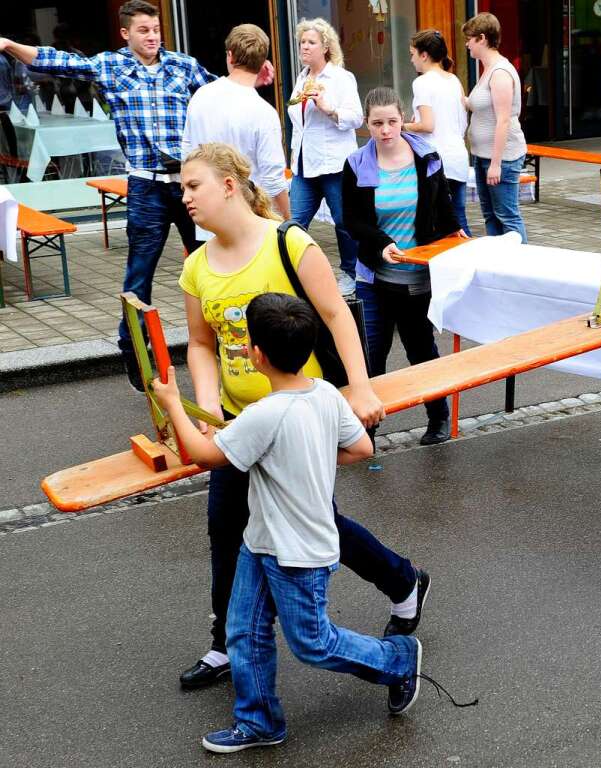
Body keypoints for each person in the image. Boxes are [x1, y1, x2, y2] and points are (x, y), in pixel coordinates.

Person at [175, 142, 428, 690]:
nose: (185, 197)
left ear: (227, 185)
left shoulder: (288, 241)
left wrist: (358, 389)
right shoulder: (197, 265)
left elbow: (337, 314)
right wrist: (207, 404)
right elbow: (199, 343)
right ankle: (225, 641)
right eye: (181, 188)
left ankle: (404, 579)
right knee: (228, 529)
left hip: (296, 418)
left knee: (319, 525)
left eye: (193, 185)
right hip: (240, 422)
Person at [152, 293, 422, 754]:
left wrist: (172, 402)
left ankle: (398, 659)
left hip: (297, 554)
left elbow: (202, 456)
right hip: (261, 542)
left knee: (313, 643)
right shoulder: (322, 392)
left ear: (256, 355)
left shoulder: (262, 416)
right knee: (244, 630)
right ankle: (258, 722)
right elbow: (362, 449)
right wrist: (305, 458)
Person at [0, 1, 220, 391]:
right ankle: (135, 353)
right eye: (144, 31)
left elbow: (221, 93)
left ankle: (222, 347)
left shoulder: (182, 65)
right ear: (126, 34)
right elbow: (55, 61)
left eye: (155, 29)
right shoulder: (111, 66)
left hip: (188, 183)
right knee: (139, 275)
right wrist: (8, 45)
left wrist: (255, 77)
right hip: (146, 185)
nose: (152, 37)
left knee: (211, 267)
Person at [343, 88, 464, 446]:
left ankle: (438, 417)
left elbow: (442, 206)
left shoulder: (426, 156)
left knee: (421, 351)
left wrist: (455, 232)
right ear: (367, 124)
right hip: (375, 278)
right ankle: (366, 431)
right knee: (371, 356)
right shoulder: (356, 164)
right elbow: (352, 221)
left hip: (417, 278)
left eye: (392, 122)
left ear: (402, 119)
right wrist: (382, 245)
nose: (385, 130)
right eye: (377, 123)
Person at [182, 24, 289, 227]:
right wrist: (288, 219)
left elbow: (187, 151)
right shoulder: (264, 112)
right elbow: (273, 178)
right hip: (247, 218)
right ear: (262, 62)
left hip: (206, 213)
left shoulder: (201, 96)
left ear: (230, 56)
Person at [287, 17, 362, 296]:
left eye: (310, 42)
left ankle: (351, 274)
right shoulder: (301, 78)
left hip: (334, 164)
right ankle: (295, 274)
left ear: (325, 47)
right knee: (294, 223)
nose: (304, 47)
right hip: (304, 165)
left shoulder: (342, 78)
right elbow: (299, 123)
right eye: (301, 42)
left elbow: (356, 117)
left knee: (344, 223)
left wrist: (329, 109)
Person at [463, 12, 528, 241]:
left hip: (501, 158)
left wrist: (496, 164)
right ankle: (497, 267)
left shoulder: (500, 72)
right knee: (491, 215)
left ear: (482, 38)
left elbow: (503, 119)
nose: (467, 44)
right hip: (483, 156)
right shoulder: (486, 71)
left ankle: (521, 268)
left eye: (469, 39)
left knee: (507, 216)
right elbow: (474, 105)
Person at [404, 29, 471, 235]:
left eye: (412, 54)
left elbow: (427, 125)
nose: (412, 60)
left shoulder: (422, 82)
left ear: (424, 55)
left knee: (440, 222)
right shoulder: (453, 80)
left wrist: (402, 126)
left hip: (436, 160)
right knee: (457, 217)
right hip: (458, 156)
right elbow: (461, 123)